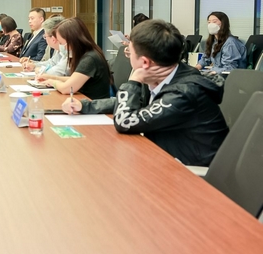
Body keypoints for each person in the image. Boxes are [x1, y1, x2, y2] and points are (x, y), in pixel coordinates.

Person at [62, 20, 229, 166]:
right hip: (164, 158)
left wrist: (133, 81)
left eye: (129, 51)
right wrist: (85, 106)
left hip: (189, 173)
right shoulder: (166, 75)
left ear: (144, 62)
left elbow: (124, 121)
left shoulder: (183, 93)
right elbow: (139, 101)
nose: (127, 55)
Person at [39, 17, 111, 100]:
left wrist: (53, 82)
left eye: (61, 43)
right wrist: (52, 78)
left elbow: (67, 88)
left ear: (72, 41)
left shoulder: (90, 59)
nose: (62, 47)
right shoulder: (86, 54)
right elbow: (73, 79)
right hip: (82, 100)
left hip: (92, 104)